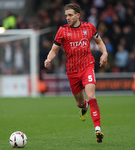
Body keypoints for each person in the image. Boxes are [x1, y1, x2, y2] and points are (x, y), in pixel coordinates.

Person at [44, 3, 108, 143]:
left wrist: (104, 53)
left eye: (70, 15)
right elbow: (54, 50)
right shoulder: (62, 31)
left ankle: (98, 129)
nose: (67, 18)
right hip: (72, 71)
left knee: (91, 95)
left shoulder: (89, 27)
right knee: (80, 103)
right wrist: (48, 59)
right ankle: (84, 107)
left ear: (78, 15)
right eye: (66, 15)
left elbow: (99, 41)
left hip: (87, 66)